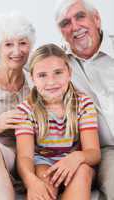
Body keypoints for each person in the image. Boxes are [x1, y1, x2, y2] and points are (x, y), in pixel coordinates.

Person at [15, 43, 101, 200]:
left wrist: (77, 157)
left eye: (58, 72)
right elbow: (25, 157)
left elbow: (94, 152)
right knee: (44, 177)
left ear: (69, 73)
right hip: (44, 163)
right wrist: (31, 182)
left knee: (83, 172)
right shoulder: (26, 111)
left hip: (77, 162)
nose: (51, 82)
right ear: (32, 78)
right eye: (42, 75)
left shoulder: (83, 104)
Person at [55, 0, 114, 199]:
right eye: (65, 23)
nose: (75, 27)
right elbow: (19, 61)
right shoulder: (58, 64)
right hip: (108, 151)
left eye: (80, 16)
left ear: (96, 19)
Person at [0, 11, 35, 200]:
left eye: (22, 43)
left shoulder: (37, 82)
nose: (17, 51)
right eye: (8, 44)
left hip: (18, 158)